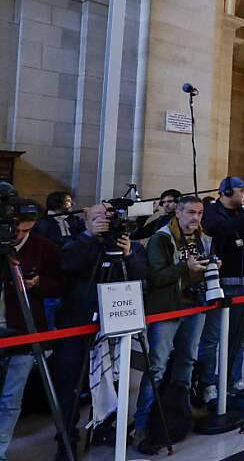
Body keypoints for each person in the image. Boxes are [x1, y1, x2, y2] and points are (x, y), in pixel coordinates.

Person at [52, 203, 146, 460]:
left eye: (107, 218)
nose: (103, 222)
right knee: (70, 384)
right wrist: (89, 237)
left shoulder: (125, 244)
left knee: (112, 378)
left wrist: (127, 255)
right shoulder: (76, 243)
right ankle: (66, 439)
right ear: (85, 220)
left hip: (114, 321)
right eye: (97, 218)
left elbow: (140, 276)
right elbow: (68, 264)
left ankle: (106, 426)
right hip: (77, 321)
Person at [134, 195, 209, 450]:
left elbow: (200, 267)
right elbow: (157, 277)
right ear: (177, 212)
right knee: (157, 365)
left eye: (199, 213)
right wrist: (184, 267)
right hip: (167, 309)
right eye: (190, 212)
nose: (195, 218)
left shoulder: (201, 238)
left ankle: (180, 411)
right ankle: (142, 425)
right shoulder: (161, 238)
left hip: (194, 306)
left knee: (187, 360)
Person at [0, 199, 63, 460]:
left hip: (25, 329)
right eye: (16, 229)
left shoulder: (43, 248)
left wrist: (38, 283)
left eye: (26, 230)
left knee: (10, 399)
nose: (19, 236)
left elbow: (59, 285)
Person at [198, 177, 244, 400]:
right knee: (212, 337)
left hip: (242, 282)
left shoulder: (242, 215)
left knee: (238, 337)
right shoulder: (212, 213)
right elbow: (220, 230)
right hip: (219, 283)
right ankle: (208, 384)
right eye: (243, 190)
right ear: (228, 191)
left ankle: (233, 378)